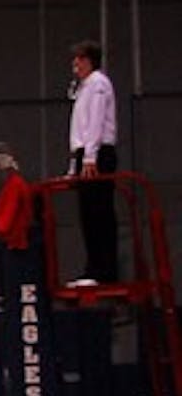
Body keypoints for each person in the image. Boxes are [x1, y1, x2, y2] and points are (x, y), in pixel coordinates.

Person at [67, 39, 118, 285]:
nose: (74, 64)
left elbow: (95, 121)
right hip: (85, 153)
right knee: (88, 214)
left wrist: (90, 157)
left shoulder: (98, 83)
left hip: (97, 153)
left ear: (88, 61)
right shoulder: (83, 88)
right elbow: (79, 128)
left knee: (99, 212)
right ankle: (93, 268)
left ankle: (104, 270)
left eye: (78, 59)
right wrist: (74, 165)